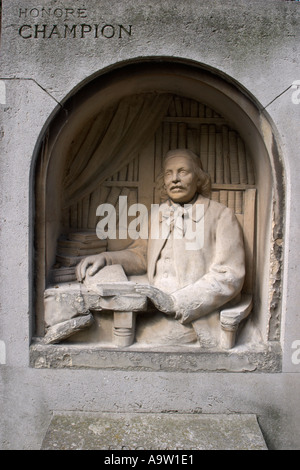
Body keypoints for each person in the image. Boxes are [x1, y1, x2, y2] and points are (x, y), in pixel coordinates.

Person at [76, 149, 245, 343]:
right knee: (99, 322)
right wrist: (107, 258)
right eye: (168, 173)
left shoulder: (221, 216)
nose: (174, 179)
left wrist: (176, 302)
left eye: (183, 172)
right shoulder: (157, 214)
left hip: (191, 315)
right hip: (150, 308)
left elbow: (229, 275)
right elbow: (141, 256)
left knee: (135, 337)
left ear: (198, 179)